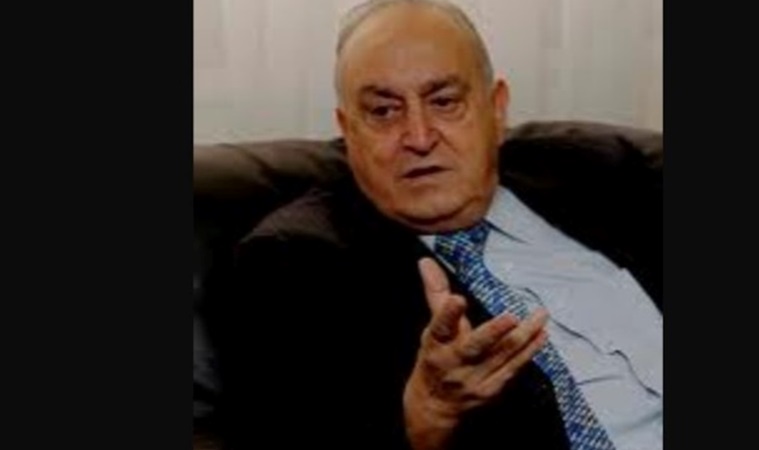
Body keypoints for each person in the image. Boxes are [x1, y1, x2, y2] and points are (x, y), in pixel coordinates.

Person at [207, 1, 662, 449]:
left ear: (497, 108)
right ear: (348, 129)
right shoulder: (293, 264)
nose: (420, 138)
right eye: (384, 111)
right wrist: (427, 416)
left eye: (444, 102)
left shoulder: (601, 176)